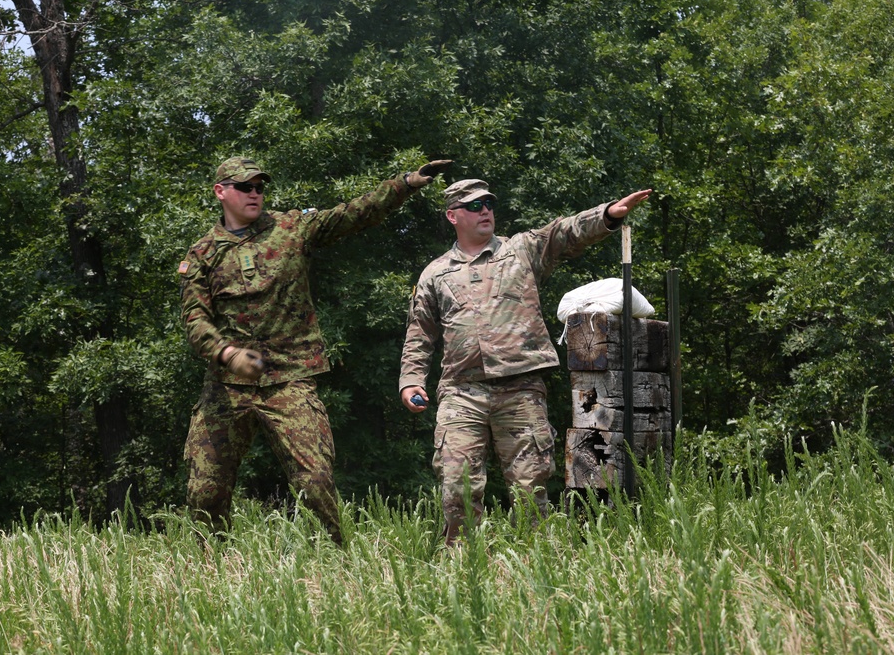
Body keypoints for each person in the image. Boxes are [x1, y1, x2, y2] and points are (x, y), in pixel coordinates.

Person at [180, 155, 452, 544]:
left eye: (259, 186)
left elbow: (354, 213)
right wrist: (227, 354)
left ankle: (336, 560)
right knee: (206, 488)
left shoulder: (291, 227)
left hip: (290, 378)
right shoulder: (202, 255)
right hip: (228, 384)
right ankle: (207, 566)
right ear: (221, 192)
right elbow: (195, 322)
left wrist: (406, 183)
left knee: (315, 480)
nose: (255, 193)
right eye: (245, 187)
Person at [399, 178, 651, 545]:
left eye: (488, 203)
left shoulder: (521, 250)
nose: (484, 210)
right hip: (461, 392)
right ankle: (460, 568)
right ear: (453, 215)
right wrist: (411, 379)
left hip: (521, 388)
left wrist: (608, 215)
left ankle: (536, 567)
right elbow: (420, 332)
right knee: (457, 486)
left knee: (529, 486)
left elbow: (564, 233)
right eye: (473, 205)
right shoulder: (435, 273)